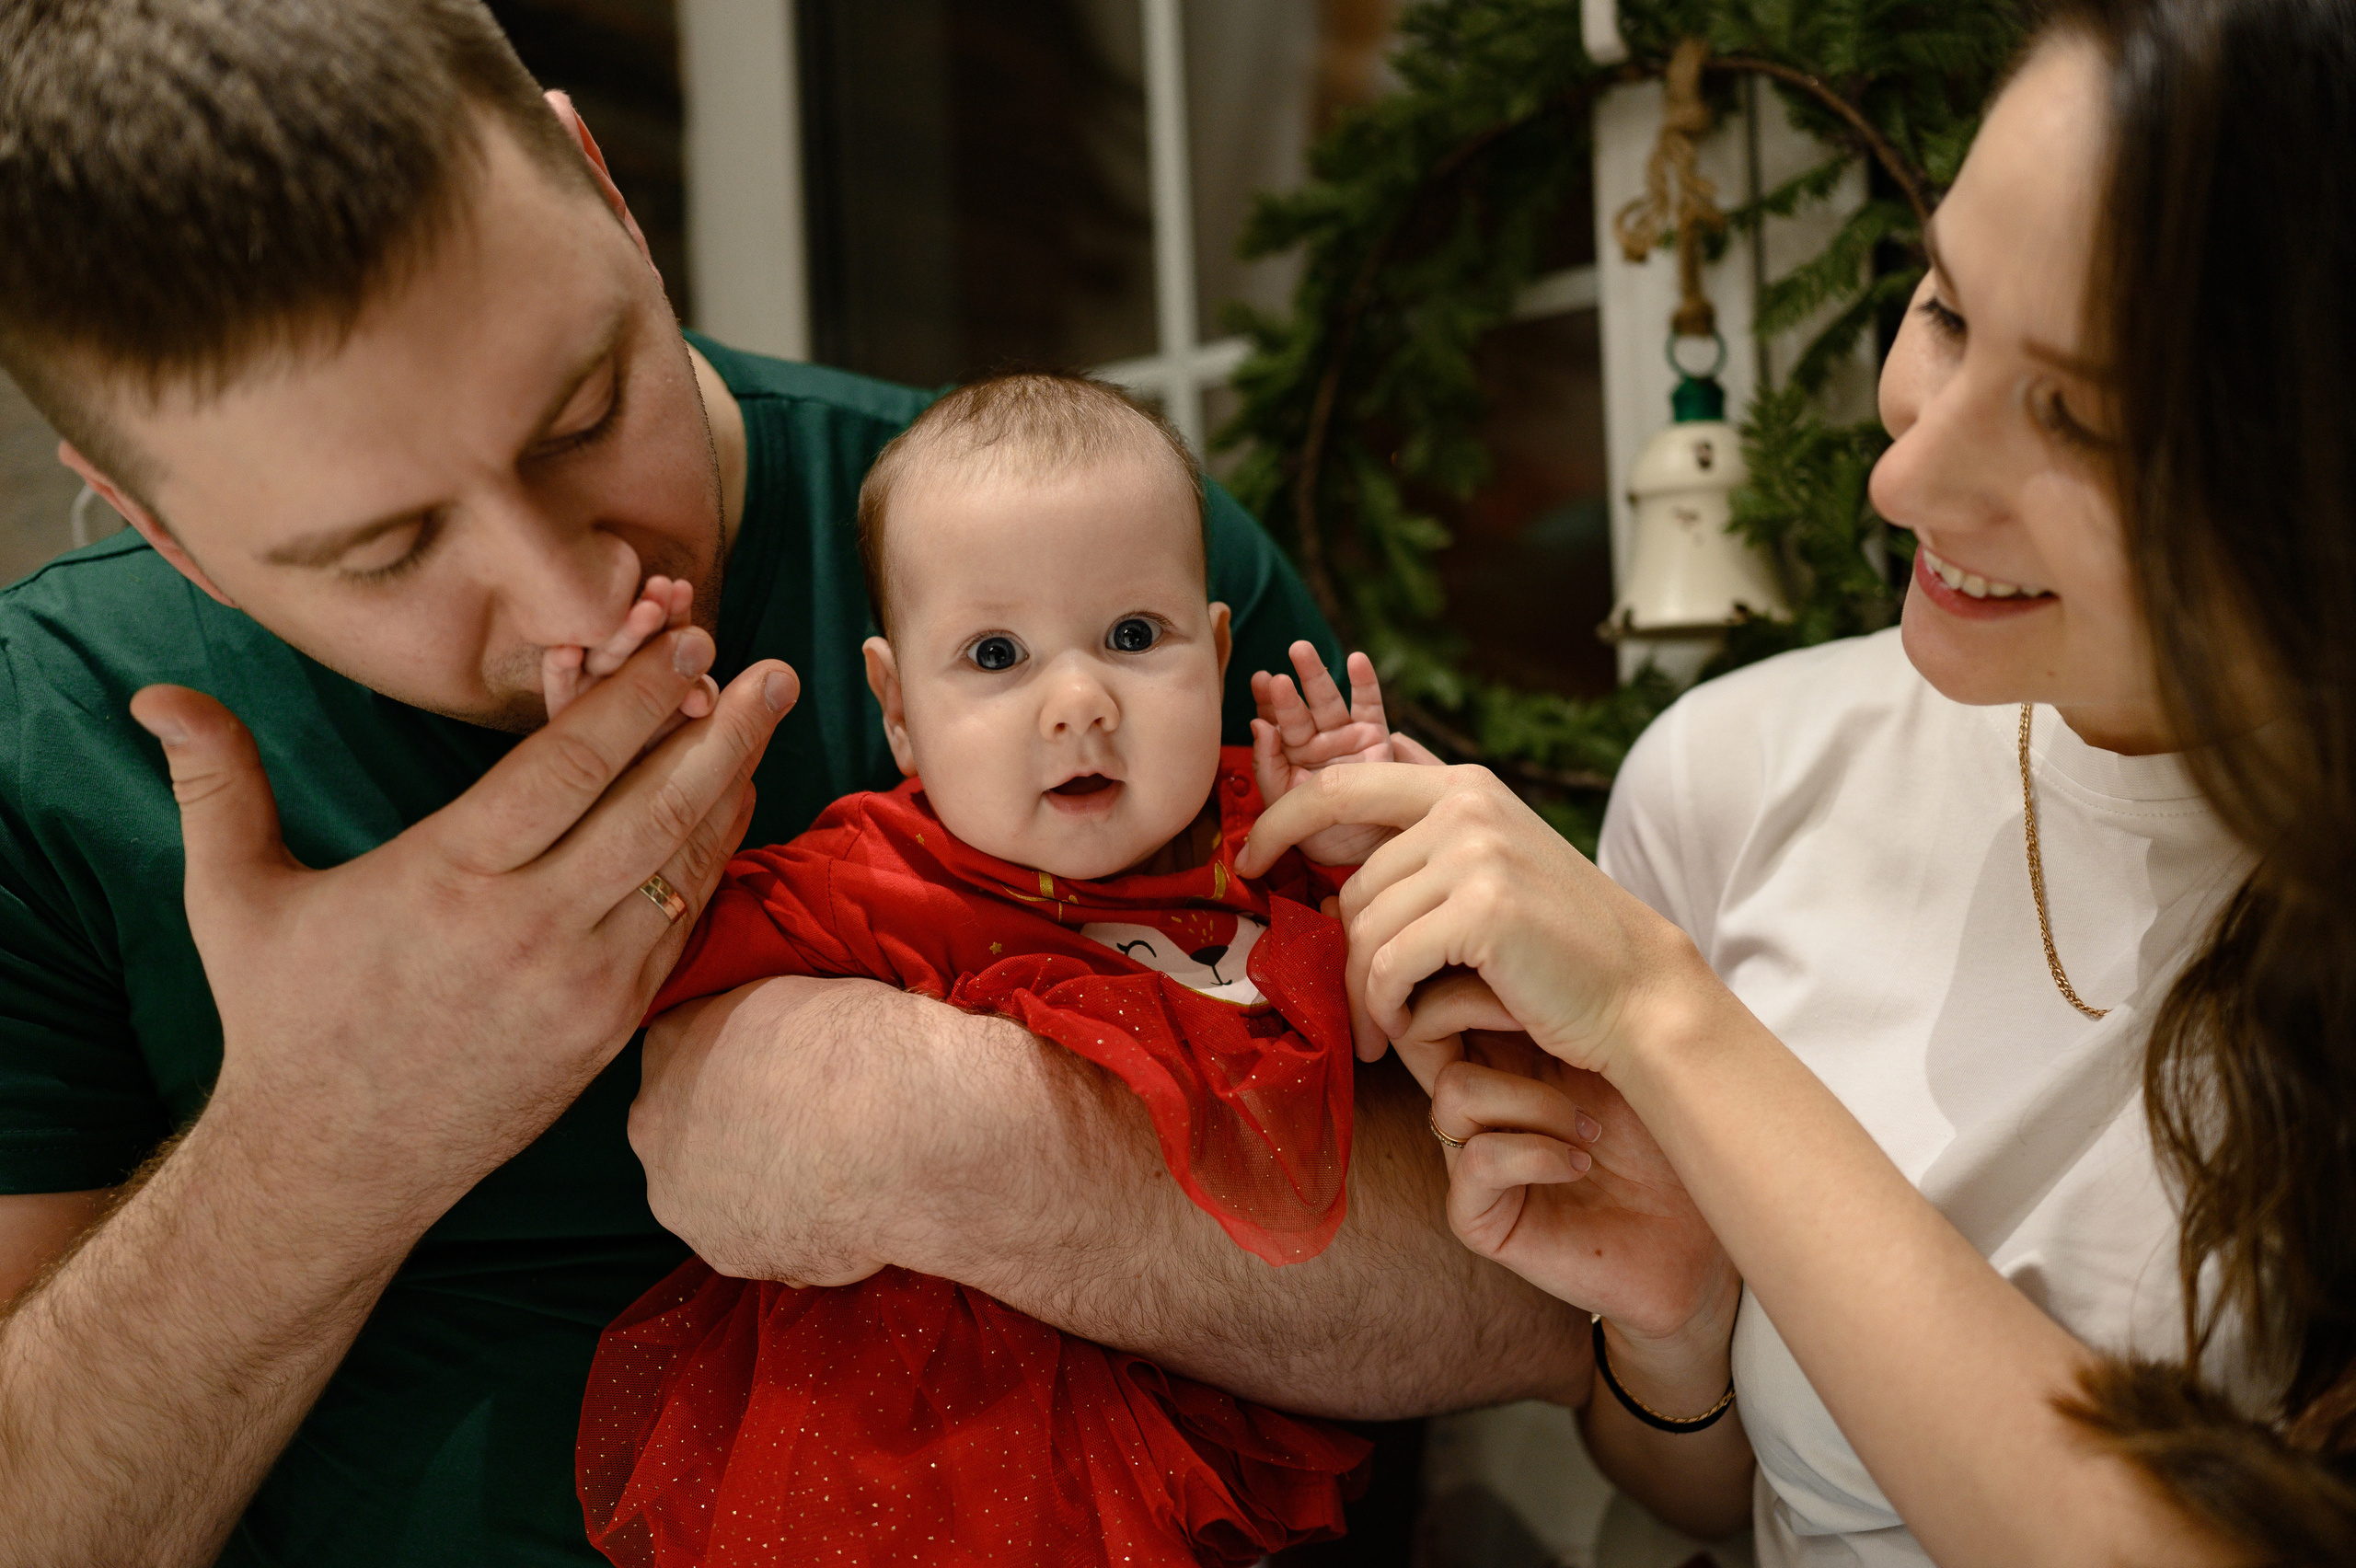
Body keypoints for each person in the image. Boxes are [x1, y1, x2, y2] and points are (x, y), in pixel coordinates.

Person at [0, 5, 1588, 1565]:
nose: (574, 595)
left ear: (601, 181)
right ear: (151, 516)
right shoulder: (51, 734)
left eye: (583, 415)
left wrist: (958, 1143)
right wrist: (326, 1146)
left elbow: (1562, 1298)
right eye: (387, 553)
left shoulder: (1063, 574)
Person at [1244, 0, 2356, 1563]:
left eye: (2076, 419)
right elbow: (1718, 1496)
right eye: (1945, 313)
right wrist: (1680, 1325)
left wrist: (1659, 1006)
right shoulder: (1739, 773)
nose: (1904, 474)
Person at [572, 374, 1405, 1566]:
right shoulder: (873, 876)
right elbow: (652, 958)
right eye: (998, 654)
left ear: (1216, 655)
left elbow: (1386, 1062)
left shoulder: (1267, 856)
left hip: (1188, 1396)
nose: (1077, 702)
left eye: (1132, 637)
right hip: (908, 1443)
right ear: (900, 711)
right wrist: (627, 777)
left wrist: (1354, 865)